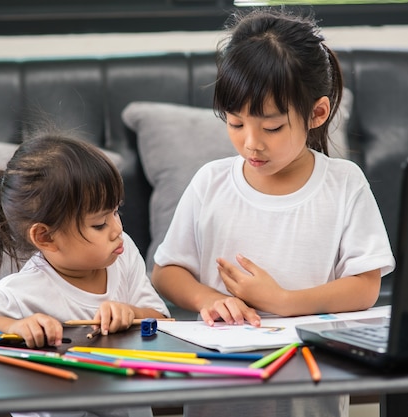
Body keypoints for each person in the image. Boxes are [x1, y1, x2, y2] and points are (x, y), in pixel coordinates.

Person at [151, 8, 395, 417]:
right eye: (234, 123)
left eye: (272, 127)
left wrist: (281, 301)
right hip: (220, 384)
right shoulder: (211, 182)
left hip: (309, 388)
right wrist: (209, 299)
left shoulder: (343, 183)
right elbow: (166, 272)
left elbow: (365, 286)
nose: (250, 143)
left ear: (317, 114)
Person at [0, 132, 170, 417]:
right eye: (100, 223)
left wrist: (132, 312)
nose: (116, 229)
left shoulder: (122, 255)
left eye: (116, 211)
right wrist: (11, 326)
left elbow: (164, 322)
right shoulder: (24, 290)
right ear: (46, 237)